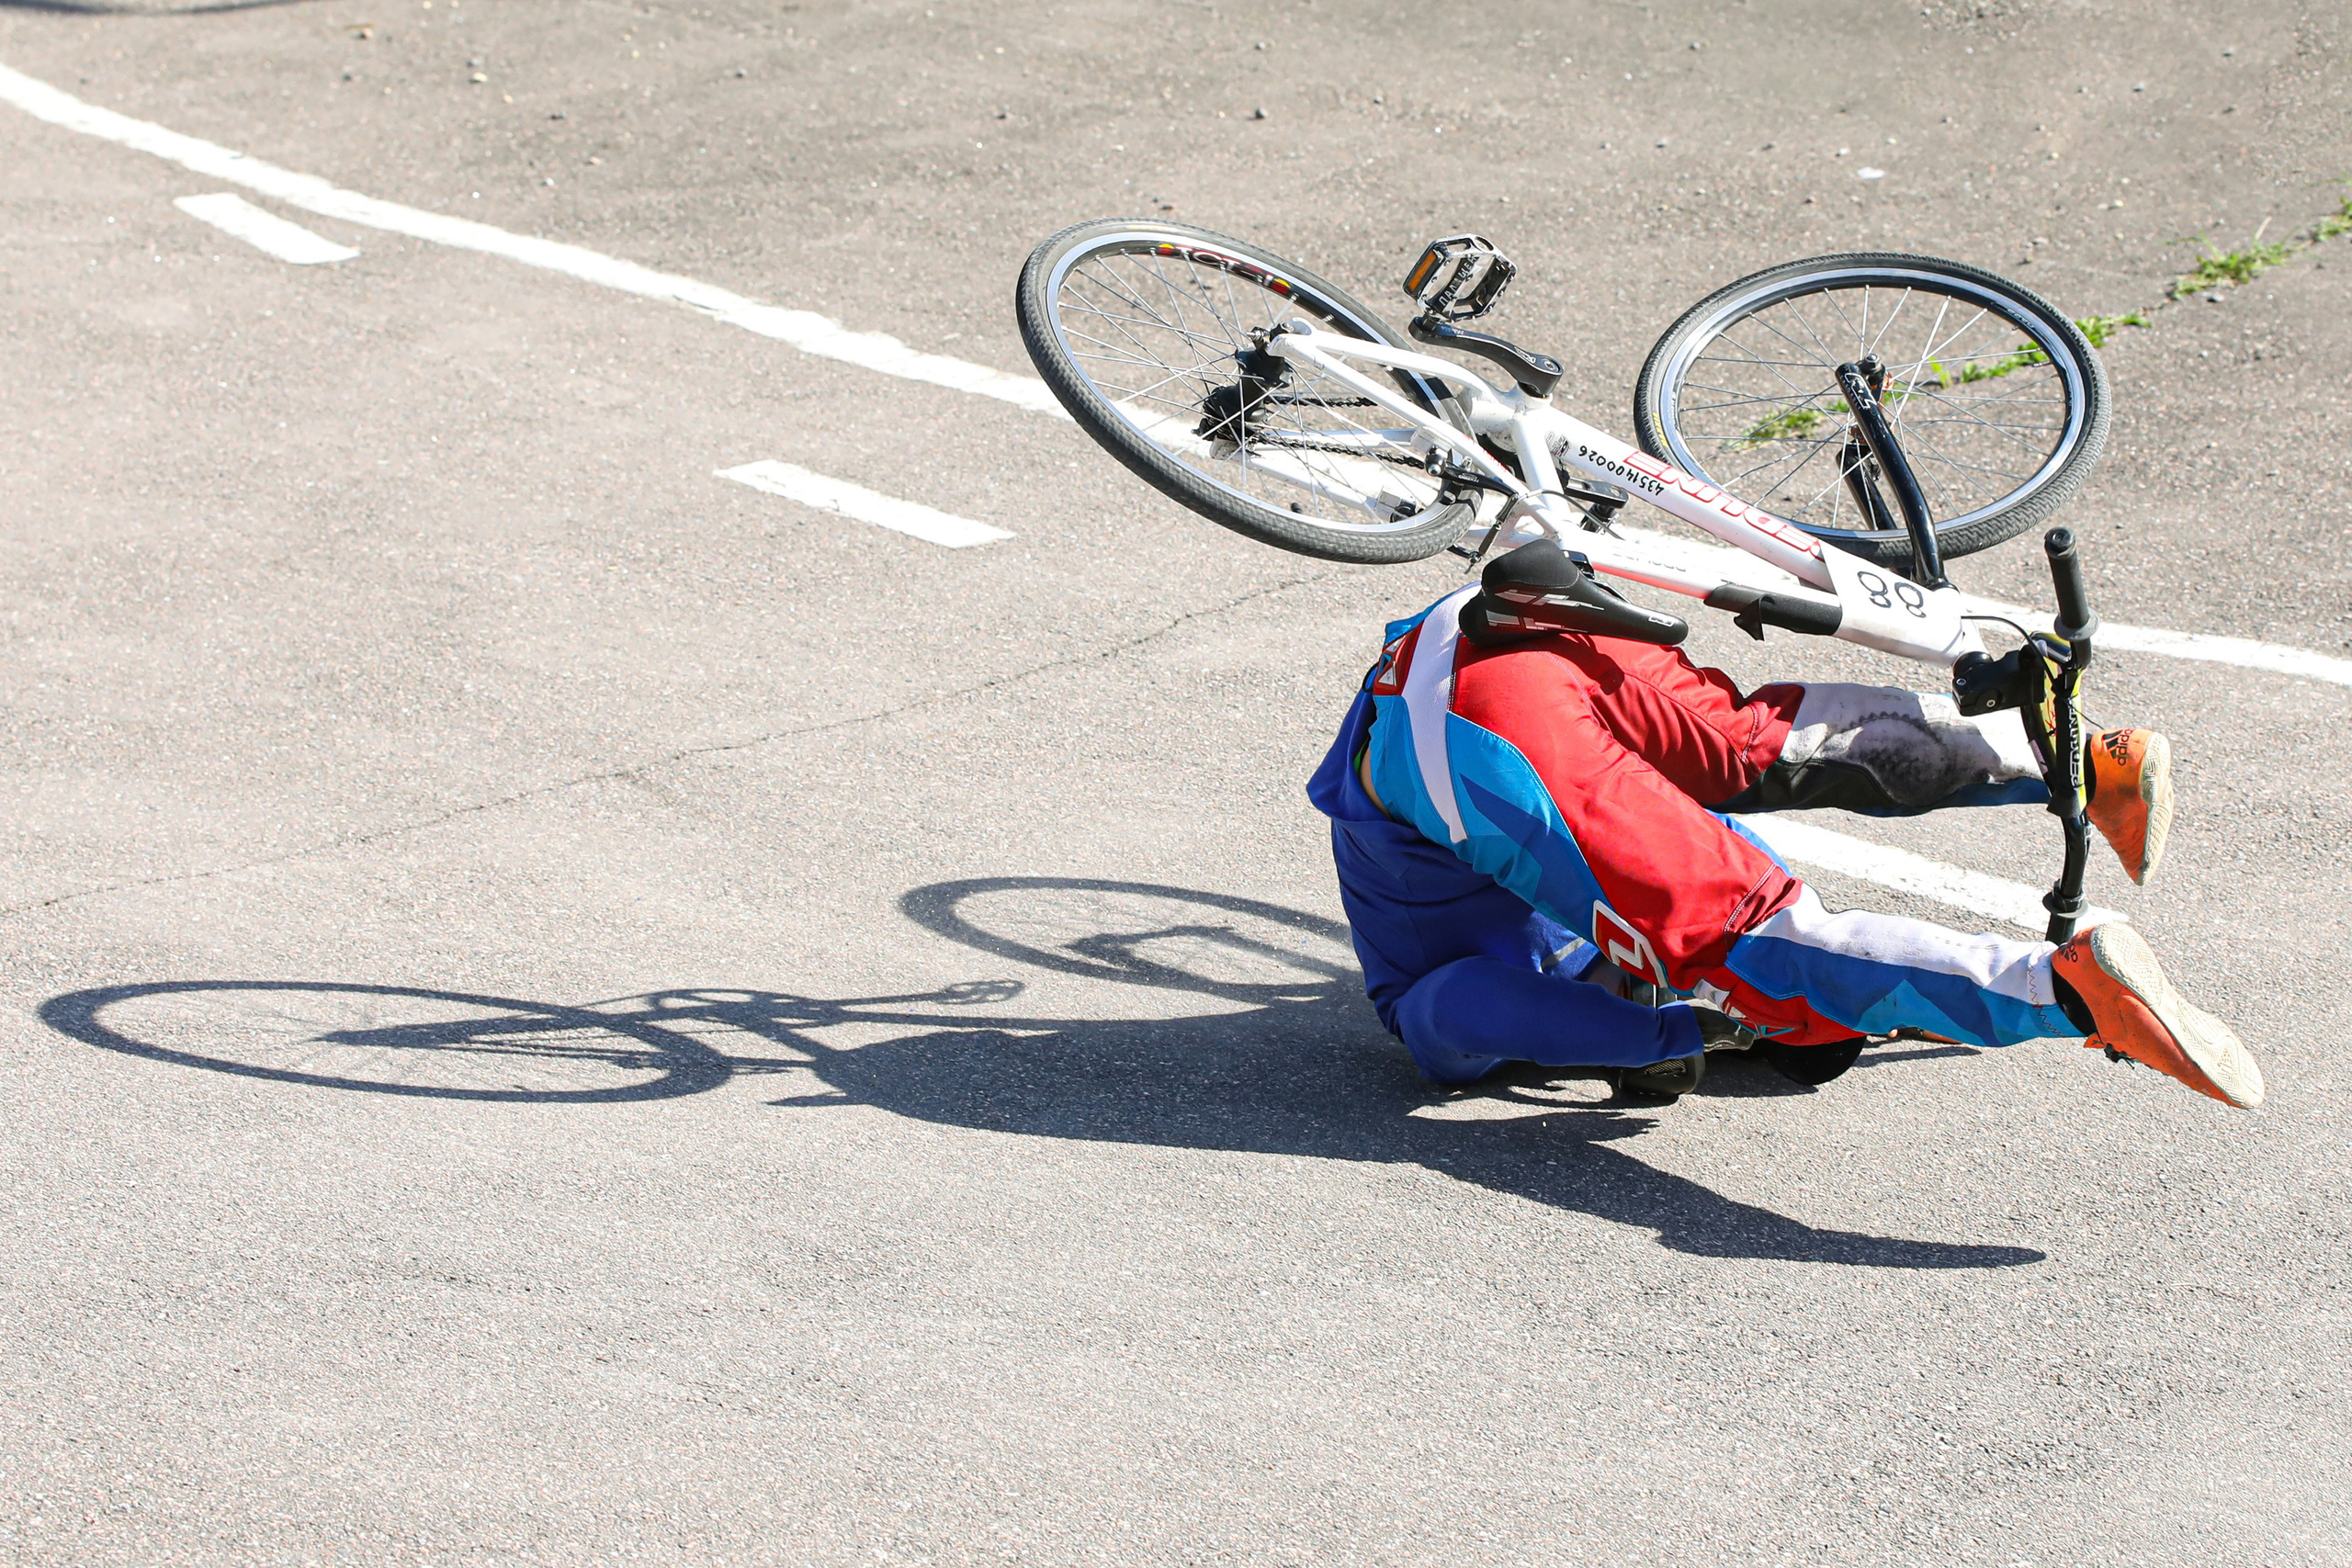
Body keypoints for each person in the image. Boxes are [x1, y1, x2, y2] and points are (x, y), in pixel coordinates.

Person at [1306, 548, 2263, 1109]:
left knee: (1750, 941)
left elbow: (1454, 1013)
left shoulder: (1420, 998)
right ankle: (2073, 763)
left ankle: (2064, 993)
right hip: (1467, 638)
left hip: (1464, 755)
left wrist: (1661, 1036)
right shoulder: (1579, 913)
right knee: (1747, 747)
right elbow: (1707, 834)